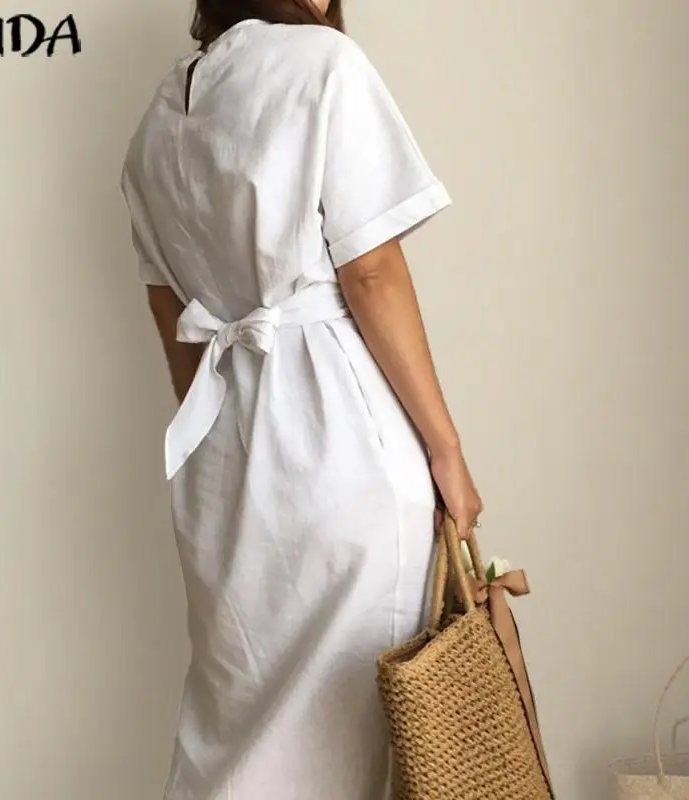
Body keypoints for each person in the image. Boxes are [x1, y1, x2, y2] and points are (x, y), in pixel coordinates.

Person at [120, 1, 482, 798]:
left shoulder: (158, 119)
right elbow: (371, 272)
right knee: (349, 740)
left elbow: (168, 312)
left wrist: (228, 439)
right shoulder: (323, 63)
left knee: (237, 732)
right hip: (339, 438)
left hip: (224, 458)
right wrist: (448, 454)